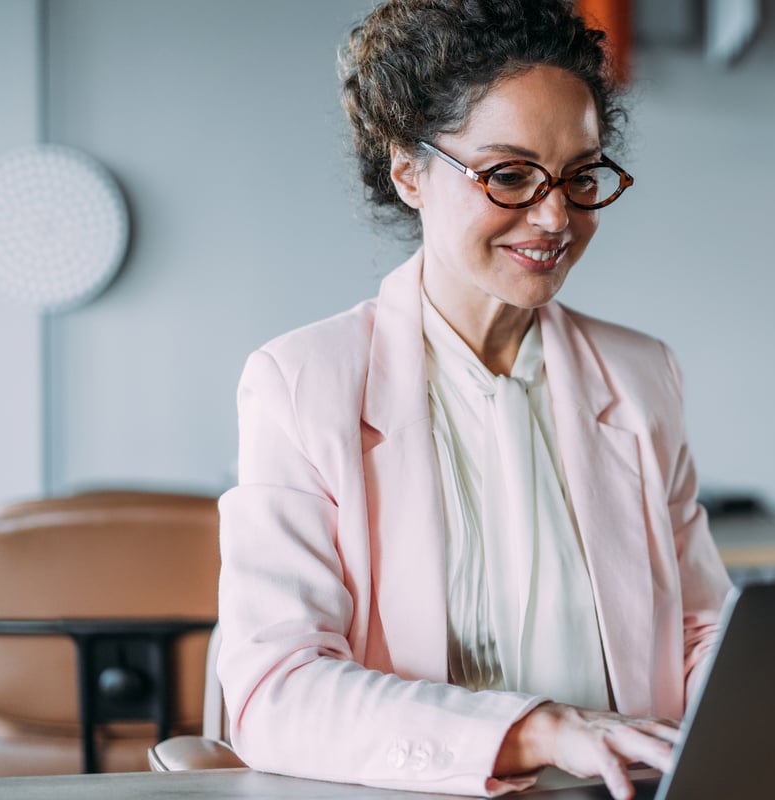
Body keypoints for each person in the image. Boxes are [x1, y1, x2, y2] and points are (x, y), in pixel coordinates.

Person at [216, 1, 731, 797]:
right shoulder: (302, 382)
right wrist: (536, 731)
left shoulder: (641, 375)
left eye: (580, 176)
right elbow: (275, 690)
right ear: (409, 173)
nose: (555, 216)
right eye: (509, 175)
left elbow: (699, 632)